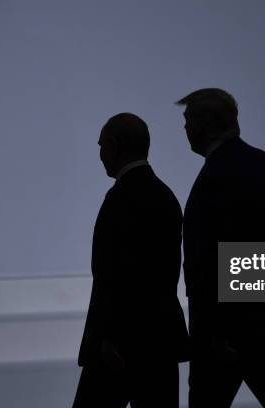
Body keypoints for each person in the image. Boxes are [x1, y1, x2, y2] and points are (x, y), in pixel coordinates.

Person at [177, 88, 265, 407]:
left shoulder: (219, 173)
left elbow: (216, 255)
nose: (185, 130)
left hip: (232, 325)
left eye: (188, 121)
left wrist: (221, 327)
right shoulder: (260, 163)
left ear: (203, 125)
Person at [73, 113, 189, 407]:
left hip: (121, 343)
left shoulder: (121, 198)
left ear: (114, 145)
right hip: (160, 338)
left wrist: (110, 337)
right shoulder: (164, 195)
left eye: (101, 146)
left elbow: (115, 275)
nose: (100, 155)